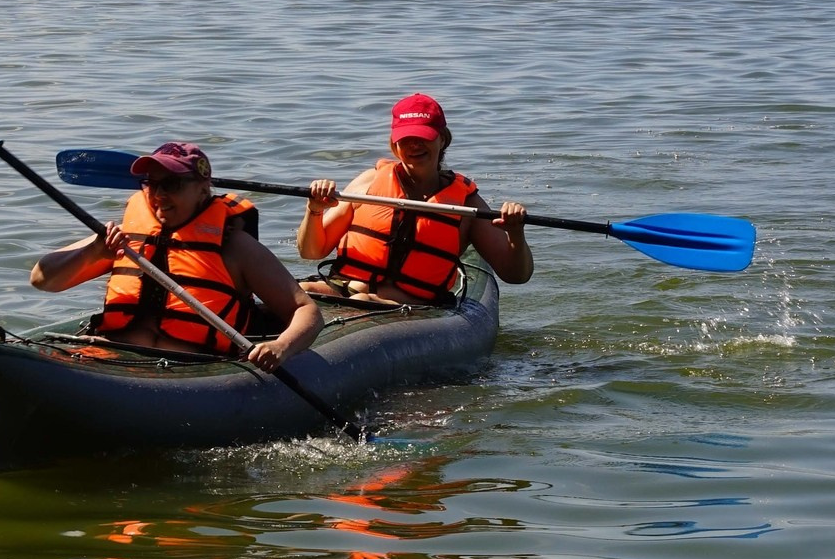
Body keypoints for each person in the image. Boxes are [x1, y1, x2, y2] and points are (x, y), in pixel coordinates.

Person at [31, 141, 321, 368]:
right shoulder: (124, 239)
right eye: (151, 183)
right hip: (111, 358)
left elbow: (307, 311)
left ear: (202, 189)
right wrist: (93, 252)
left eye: (171, 184)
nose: (158, 195)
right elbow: (42, 279)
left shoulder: (235, 247)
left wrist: (280, 347)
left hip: (192, 370)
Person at [296, 93, 532, 306]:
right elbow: (311, 251)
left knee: (362, 299)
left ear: (442, 139)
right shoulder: (367, 183)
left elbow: (516, 275)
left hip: (407, 308)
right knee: (295, 290)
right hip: (342, 289)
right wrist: (314, 209)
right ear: (394, 145)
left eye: (423, 137)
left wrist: (515, 233)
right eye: (406, 138)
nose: (414, 145)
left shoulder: (467, 204)